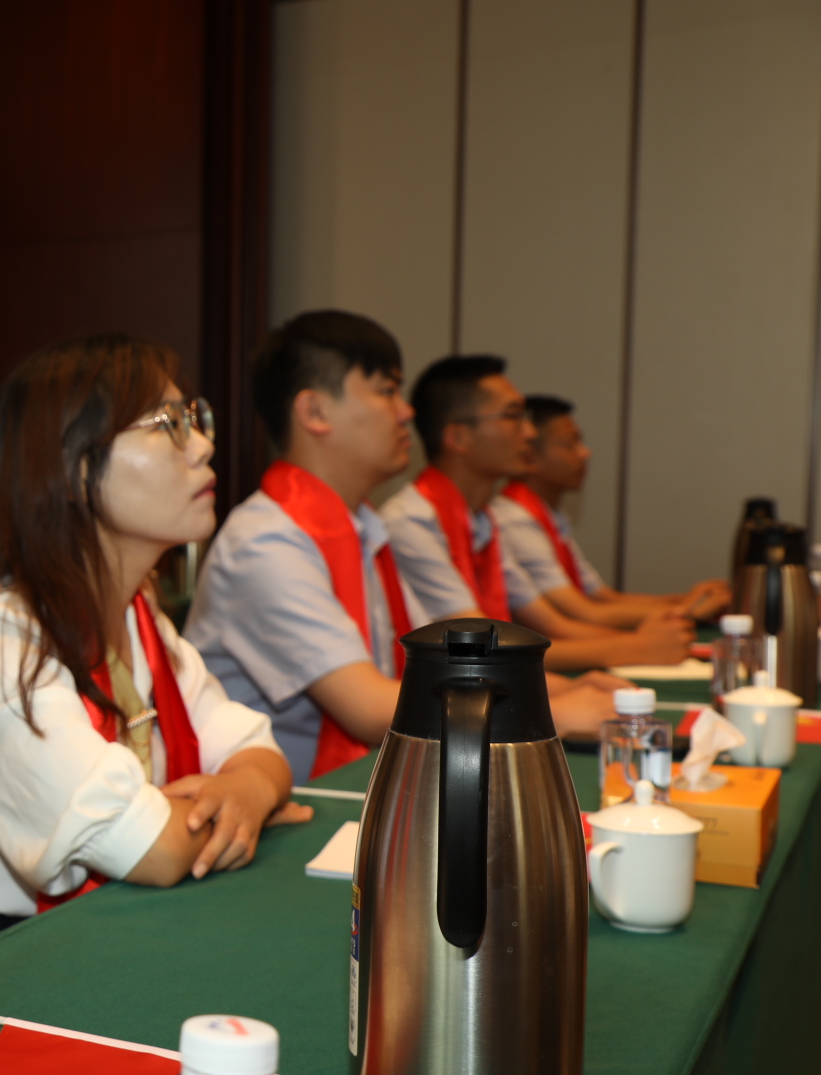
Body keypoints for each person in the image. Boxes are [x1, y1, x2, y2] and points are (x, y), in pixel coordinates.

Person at [0, 335, 306, 985]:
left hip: (92, 933)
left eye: (195, 419)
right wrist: (233, 808)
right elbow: (155, 850)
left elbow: (256, 751)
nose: (202, 446)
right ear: (74, 469)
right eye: (168, 424)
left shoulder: (137, 613)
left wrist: (247, 789)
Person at [186, 312, 617, 783]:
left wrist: (554, 688)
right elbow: (369, 706)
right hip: (296, 796)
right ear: (315, 413)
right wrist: (550, 710)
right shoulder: (266, 542)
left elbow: (438, 658)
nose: (405, 411)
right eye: (387, 390)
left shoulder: (361, 528)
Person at [380, 355, 692, 673]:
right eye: (513, 416)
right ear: (460, 438)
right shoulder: (411, 523)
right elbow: (481, 649)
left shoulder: (483, 521)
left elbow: (551, 624)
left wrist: (642, 641)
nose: (529, 433)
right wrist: (635, 646)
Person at [495, 394, 730, 626]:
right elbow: (582, 614)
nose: (585, 453)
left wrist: (687, 601)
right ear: (529, 453)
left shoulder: (550, 515)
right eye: (569, 444)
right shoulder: (514, 519)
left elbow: (604, 597)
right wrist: (687, 610)